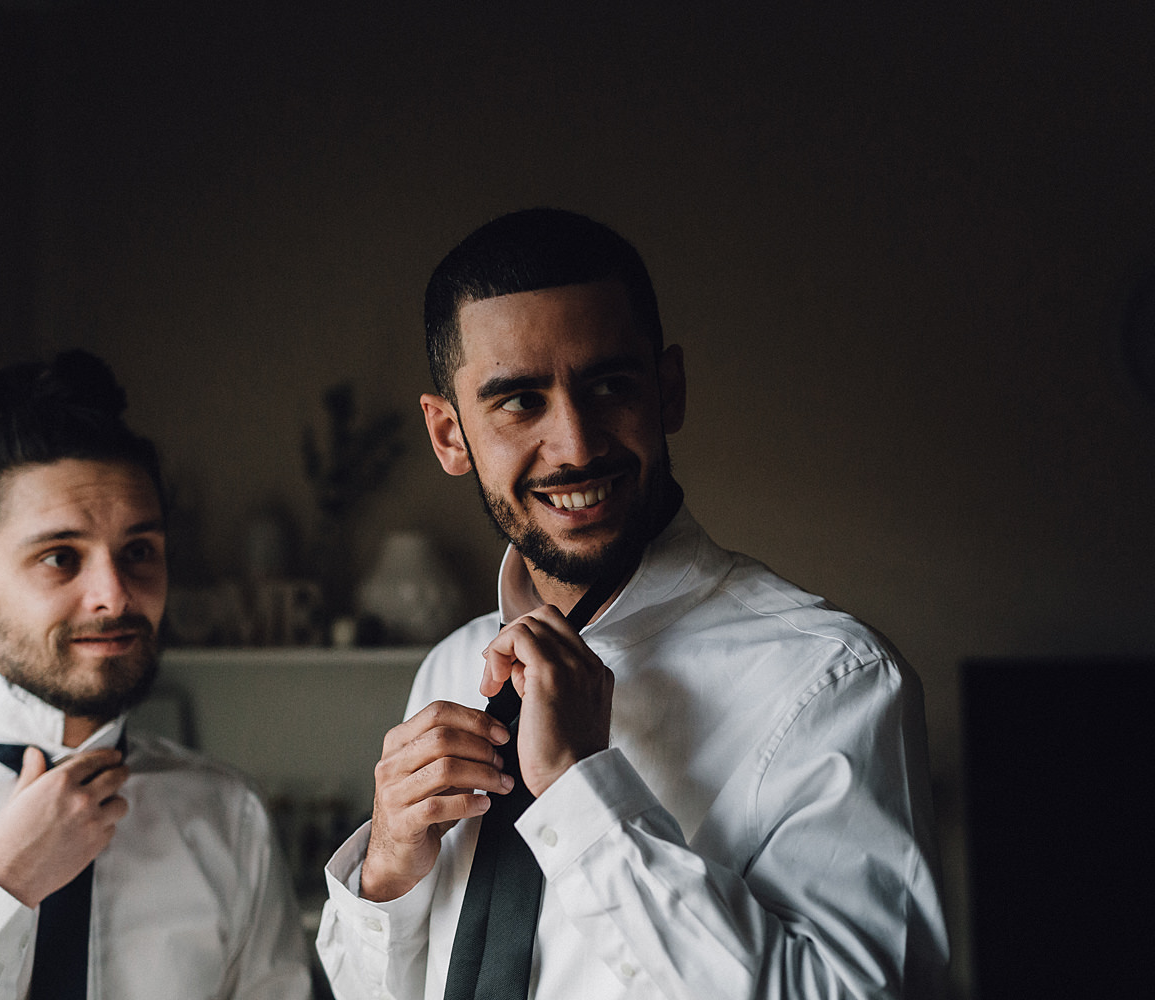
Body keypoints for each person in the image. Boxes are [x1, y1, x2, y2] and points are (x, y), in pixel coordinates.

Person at [316, 209, 948, 998]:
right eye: (519, 401)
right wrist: (384, 874)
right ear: (449, 435)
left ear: (668, 389)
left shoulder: (836, 682)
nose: (576, 445)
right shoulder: (453, 665)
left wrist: (583, 792)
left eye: (610, 384)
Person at [0, 350, 312, 999]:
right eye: (60, 557)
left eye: (138, 552)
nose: (116, 595)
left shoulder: (227, 817)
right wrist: (0, 887)